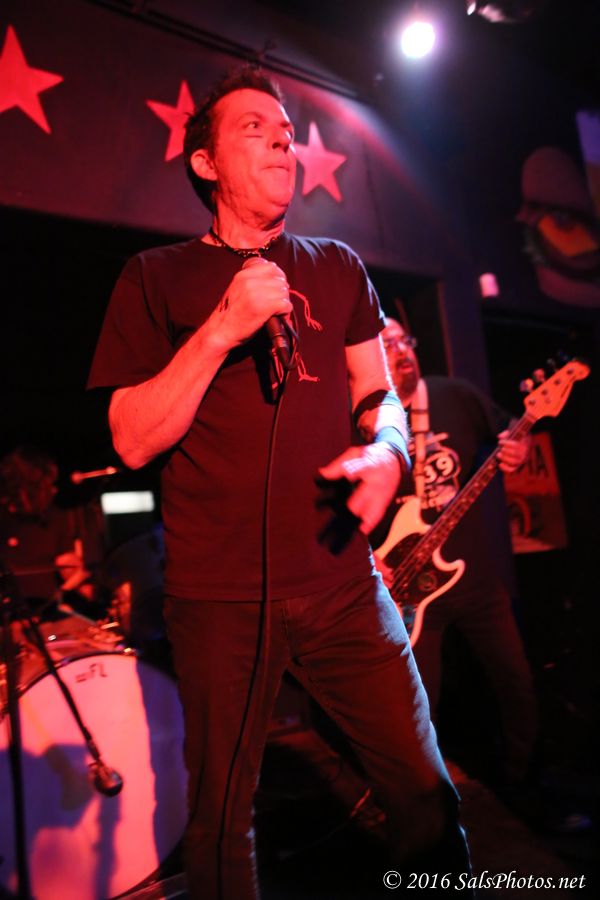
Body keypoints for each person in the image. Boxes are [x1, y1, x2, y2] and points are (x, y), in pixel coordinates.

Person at [88, 67, 472, 900]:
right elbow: (130, 440)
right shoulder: (154, 277)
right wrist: (222, 328)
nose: (281, 142)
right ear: (205, 163)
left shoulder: (337, 266)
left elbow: (380, 397)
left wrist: (389, 452)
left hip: (342, 585)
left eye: (287, 132)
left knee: (424, 792)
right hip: (217, 600)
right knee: (221, 824)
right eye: (254, 128)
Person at [373, 317, 539, 789]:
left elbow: (513, 434)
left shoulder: (453, 394)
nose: (402, 350)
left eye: (406, 339)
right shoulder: (365, 422)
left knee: (515, 681)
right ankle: (427, 797)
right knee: (419, 703)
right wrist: (371, 560)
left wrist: (519, 448)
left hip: (476, 582)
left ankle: (524, 783)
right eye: (388, 343)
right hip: (408, 591)